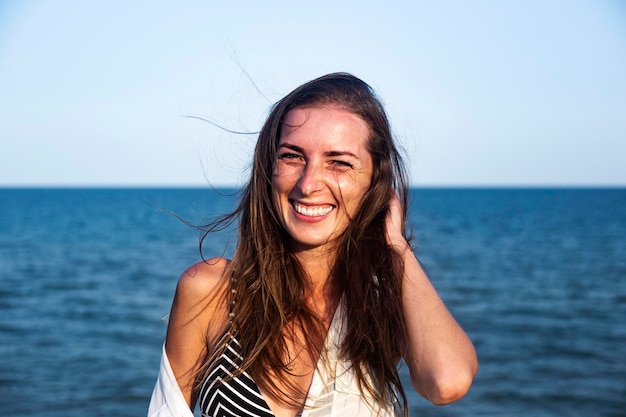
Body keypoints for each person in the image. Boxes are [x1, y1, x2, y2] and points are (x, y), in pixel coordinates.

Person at [148, 73, 478, 417]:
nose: (308, 184)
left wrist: (396, 247)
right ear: (268, 168)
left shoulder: (379, 308)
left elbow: (447, 382)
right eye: (292, 156)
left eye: (339, 163)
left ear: (374, 182)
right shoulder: (211, 291)